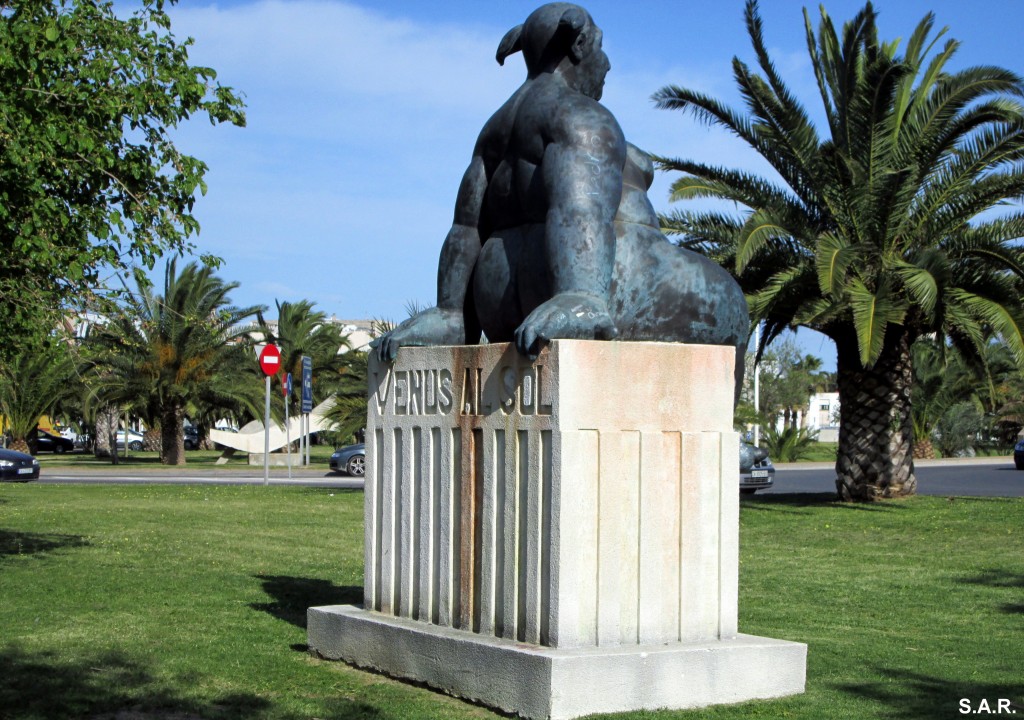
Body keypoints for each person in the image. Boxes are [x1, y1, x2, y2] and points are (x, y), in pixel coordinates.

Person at [374, 2, 748, 380]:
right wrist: (581, 295)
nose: (607, 64)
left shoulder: (495, 129)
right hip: (580, 285)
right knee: (730, 303)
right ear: (579, 45)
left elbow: (466, 228)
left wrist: (451, 310)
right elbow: (579, 209)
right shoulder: (580, 116)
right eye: (599, 48)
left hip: (497, 300)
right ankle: (724, 432)